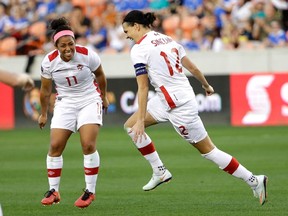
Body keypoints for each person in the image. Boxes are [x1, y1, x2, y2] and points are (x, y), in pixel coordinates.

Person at [122, 10, 268, 205]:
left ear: (137, 26)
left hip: (179, 106)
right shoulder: (167, 39)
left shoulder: (139, 49)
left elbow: (142, 86)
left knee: (209, 151)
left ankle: (254, 180)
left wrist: (142, 120)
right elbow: (193, 68)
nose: (126, 35)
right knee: (130, 126)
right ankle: (160, 171)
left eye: (127, 30)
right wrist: (206, 85)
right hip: (167, 99)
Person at [38, 17, 109, 208]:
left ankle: (90, 192)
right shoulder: (49, 62)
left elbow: (101, 75)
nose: (68, 48)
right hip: (65, 102)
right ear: (56, 46)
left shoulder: (87, 55)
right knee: (55, 145)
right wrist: (44, 113)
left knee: (87, 144)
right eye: (63, 45)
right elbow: (45, 90)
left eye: (71, 44)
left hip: (89, 99)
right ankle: (54, 190)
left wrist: (104, 97)